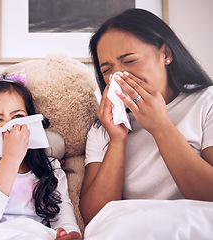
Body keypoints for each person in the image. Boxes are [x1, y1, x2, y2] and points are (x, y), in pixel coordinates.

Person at [80, 8, 213, 225]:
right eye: (106, 70)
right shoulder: (103, 127)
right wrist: (117, 139)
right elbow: (95, 218)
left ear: (166, 54)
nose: (118, 76)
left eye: (130, 60)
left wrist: (161, 127)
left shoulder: (207, 102)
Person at [0, 71, 82, 239]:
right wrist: (10, 160)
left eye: (18, 116)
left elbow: (63, 218)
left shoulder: (49, 166)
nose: (9, 126)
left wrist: (70, 233)